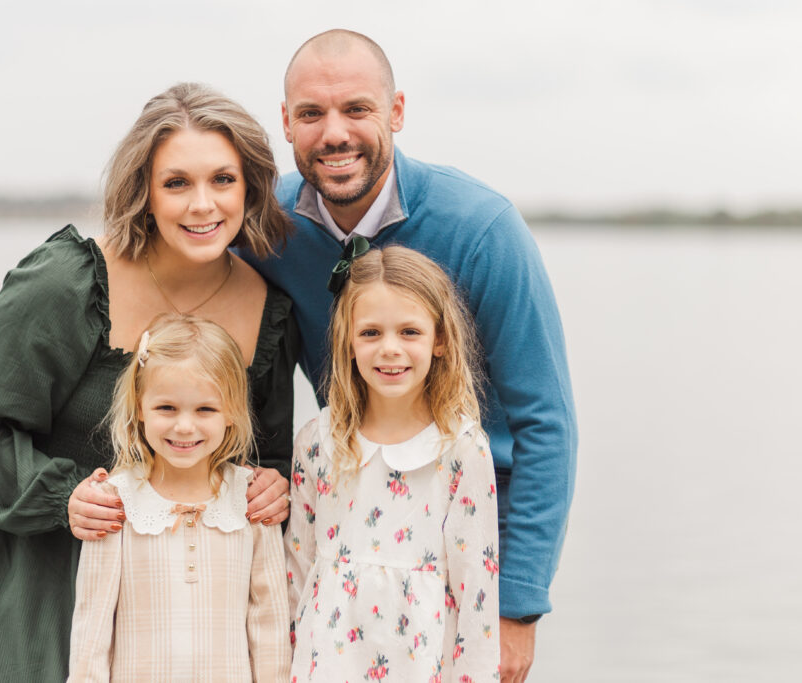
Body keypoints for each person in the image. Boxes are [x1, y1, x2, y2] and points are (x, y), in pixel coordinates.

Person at [0, 83, 296, 681]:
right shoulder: (67, 282)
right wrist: (61, 497)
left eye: (223, 179)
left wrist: (274, 489)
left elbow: (264, 456)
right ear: (143, 191)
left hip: (167, 619)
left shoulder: (269, 311)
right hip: (30, 582)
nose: (203, 204)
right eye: (176, 183)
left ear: (250, 186)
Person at [245, 30, 578, 682]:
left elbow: (546, 423)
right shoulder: (267, 227)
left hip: (465, 556)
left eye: (358, 109)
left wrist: (518, 604)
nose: (334, 133)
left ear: (396, 112)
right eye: (312, 114)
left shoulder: (482, 229)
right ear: (286, 122)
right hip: (345, 553)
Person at [287, 244, 500, 682]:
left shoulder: (461, 448)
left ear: (439, 340)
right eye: (370, 333)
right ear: (348, 340)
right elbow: (297, 570)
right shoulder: (318, 442)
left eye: (409, 332)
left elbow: (477, 591)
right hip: (325, 661)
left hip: (421, 664)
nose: (389, 349)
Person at [68, 313, 290, 681]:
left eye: (205, 409)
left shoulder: (250, 498)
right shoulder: (116, 501)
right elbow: (92, 627)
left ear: (232, 411)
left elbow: (270, 622)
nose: (184, 426)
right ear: (140, 407)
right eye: (167, 408)